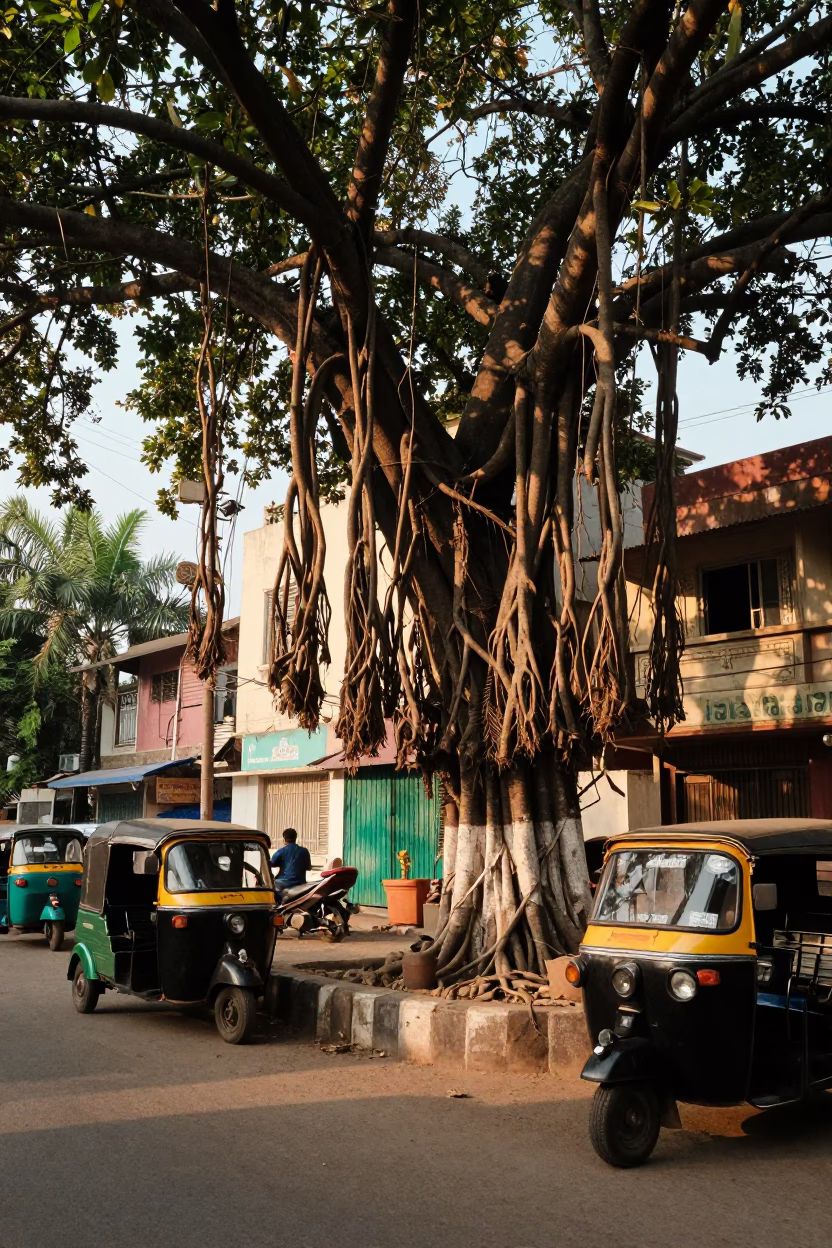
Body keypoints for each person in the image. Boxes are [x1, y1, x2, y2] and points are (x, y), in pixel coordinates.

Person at [270, 827, 311, 892]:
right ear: (295, 838)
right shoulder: (305, 851)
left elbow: (269, 864)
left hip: (282, 883)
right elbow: (308, 868)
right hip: (300, 884)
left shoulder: (281, 851)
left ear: (284, 839)